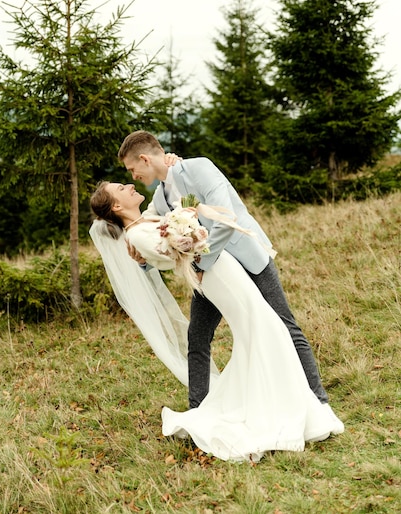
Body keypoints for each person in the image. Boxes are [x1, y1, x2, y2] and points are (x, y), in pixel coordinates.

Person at [89, 181, 344, 462]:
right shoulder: (136, 236)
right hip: (215, 276)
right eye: (120, 188)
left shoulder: (145, 219)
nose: (129, 184)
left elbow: (170, 222)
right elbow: (181, 252)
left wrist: (186, 218)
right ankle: (277, 412)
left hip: (222, 268)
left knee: (262, 330)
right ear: (115, 205)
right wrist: (192, 229)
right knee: (263, 329)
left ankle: (283, 404)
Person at [117, 131, 342, 431]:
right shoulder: (160, 197)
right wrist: (141, 257)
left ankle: (318, 400)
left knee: (285, 324)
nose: (134, 175)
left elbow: (227, 218)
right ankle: (198, 409)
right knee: (197, 337)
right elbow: (153, 238)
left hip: (244, 258)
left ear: (145, 159)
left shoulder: (199, 168)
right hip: (213, 276)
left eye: (134, 169)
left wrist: (201, 264)